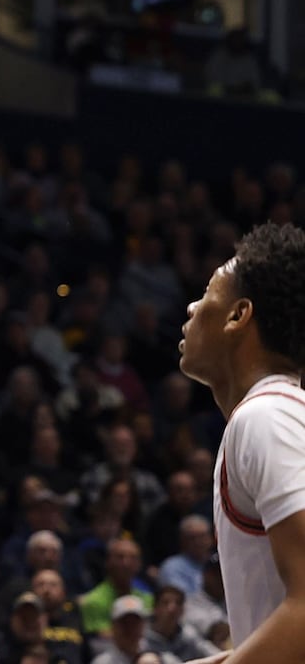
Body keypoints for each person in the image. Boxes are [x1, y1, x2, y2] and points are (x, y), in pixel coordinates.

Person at [178, 221, 305, 661]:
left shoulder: (267, 417)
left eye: (208, 294)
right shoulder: (281, 414)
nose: (193, 307)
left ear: (238, 315)